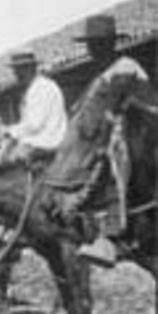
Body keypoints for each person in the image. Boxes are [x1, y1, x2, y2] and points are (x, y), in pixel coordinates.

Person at [72, 15, 150, 267]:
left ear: (111, 44)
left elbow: (121, 105)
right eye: (92, 45)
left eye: (100, 44)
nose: (95, 49)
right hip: (125, 126)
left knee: (114, 151)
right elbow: (85, 107)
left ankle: (115, 234)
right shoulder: (102, 74)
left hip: (145, 129)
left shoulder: (125, 66)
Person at [0, 50, 67, 165]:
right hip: (39, 138)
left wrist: (9, 132)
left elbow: (34, 125)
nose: (16, 74)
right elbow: (27, 124)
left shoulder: (41, 88)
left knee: (7, 165)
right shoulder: (33, 89)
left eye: (19, 70)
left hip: (46, 140)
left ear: (30, 68)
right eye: (15, 70)